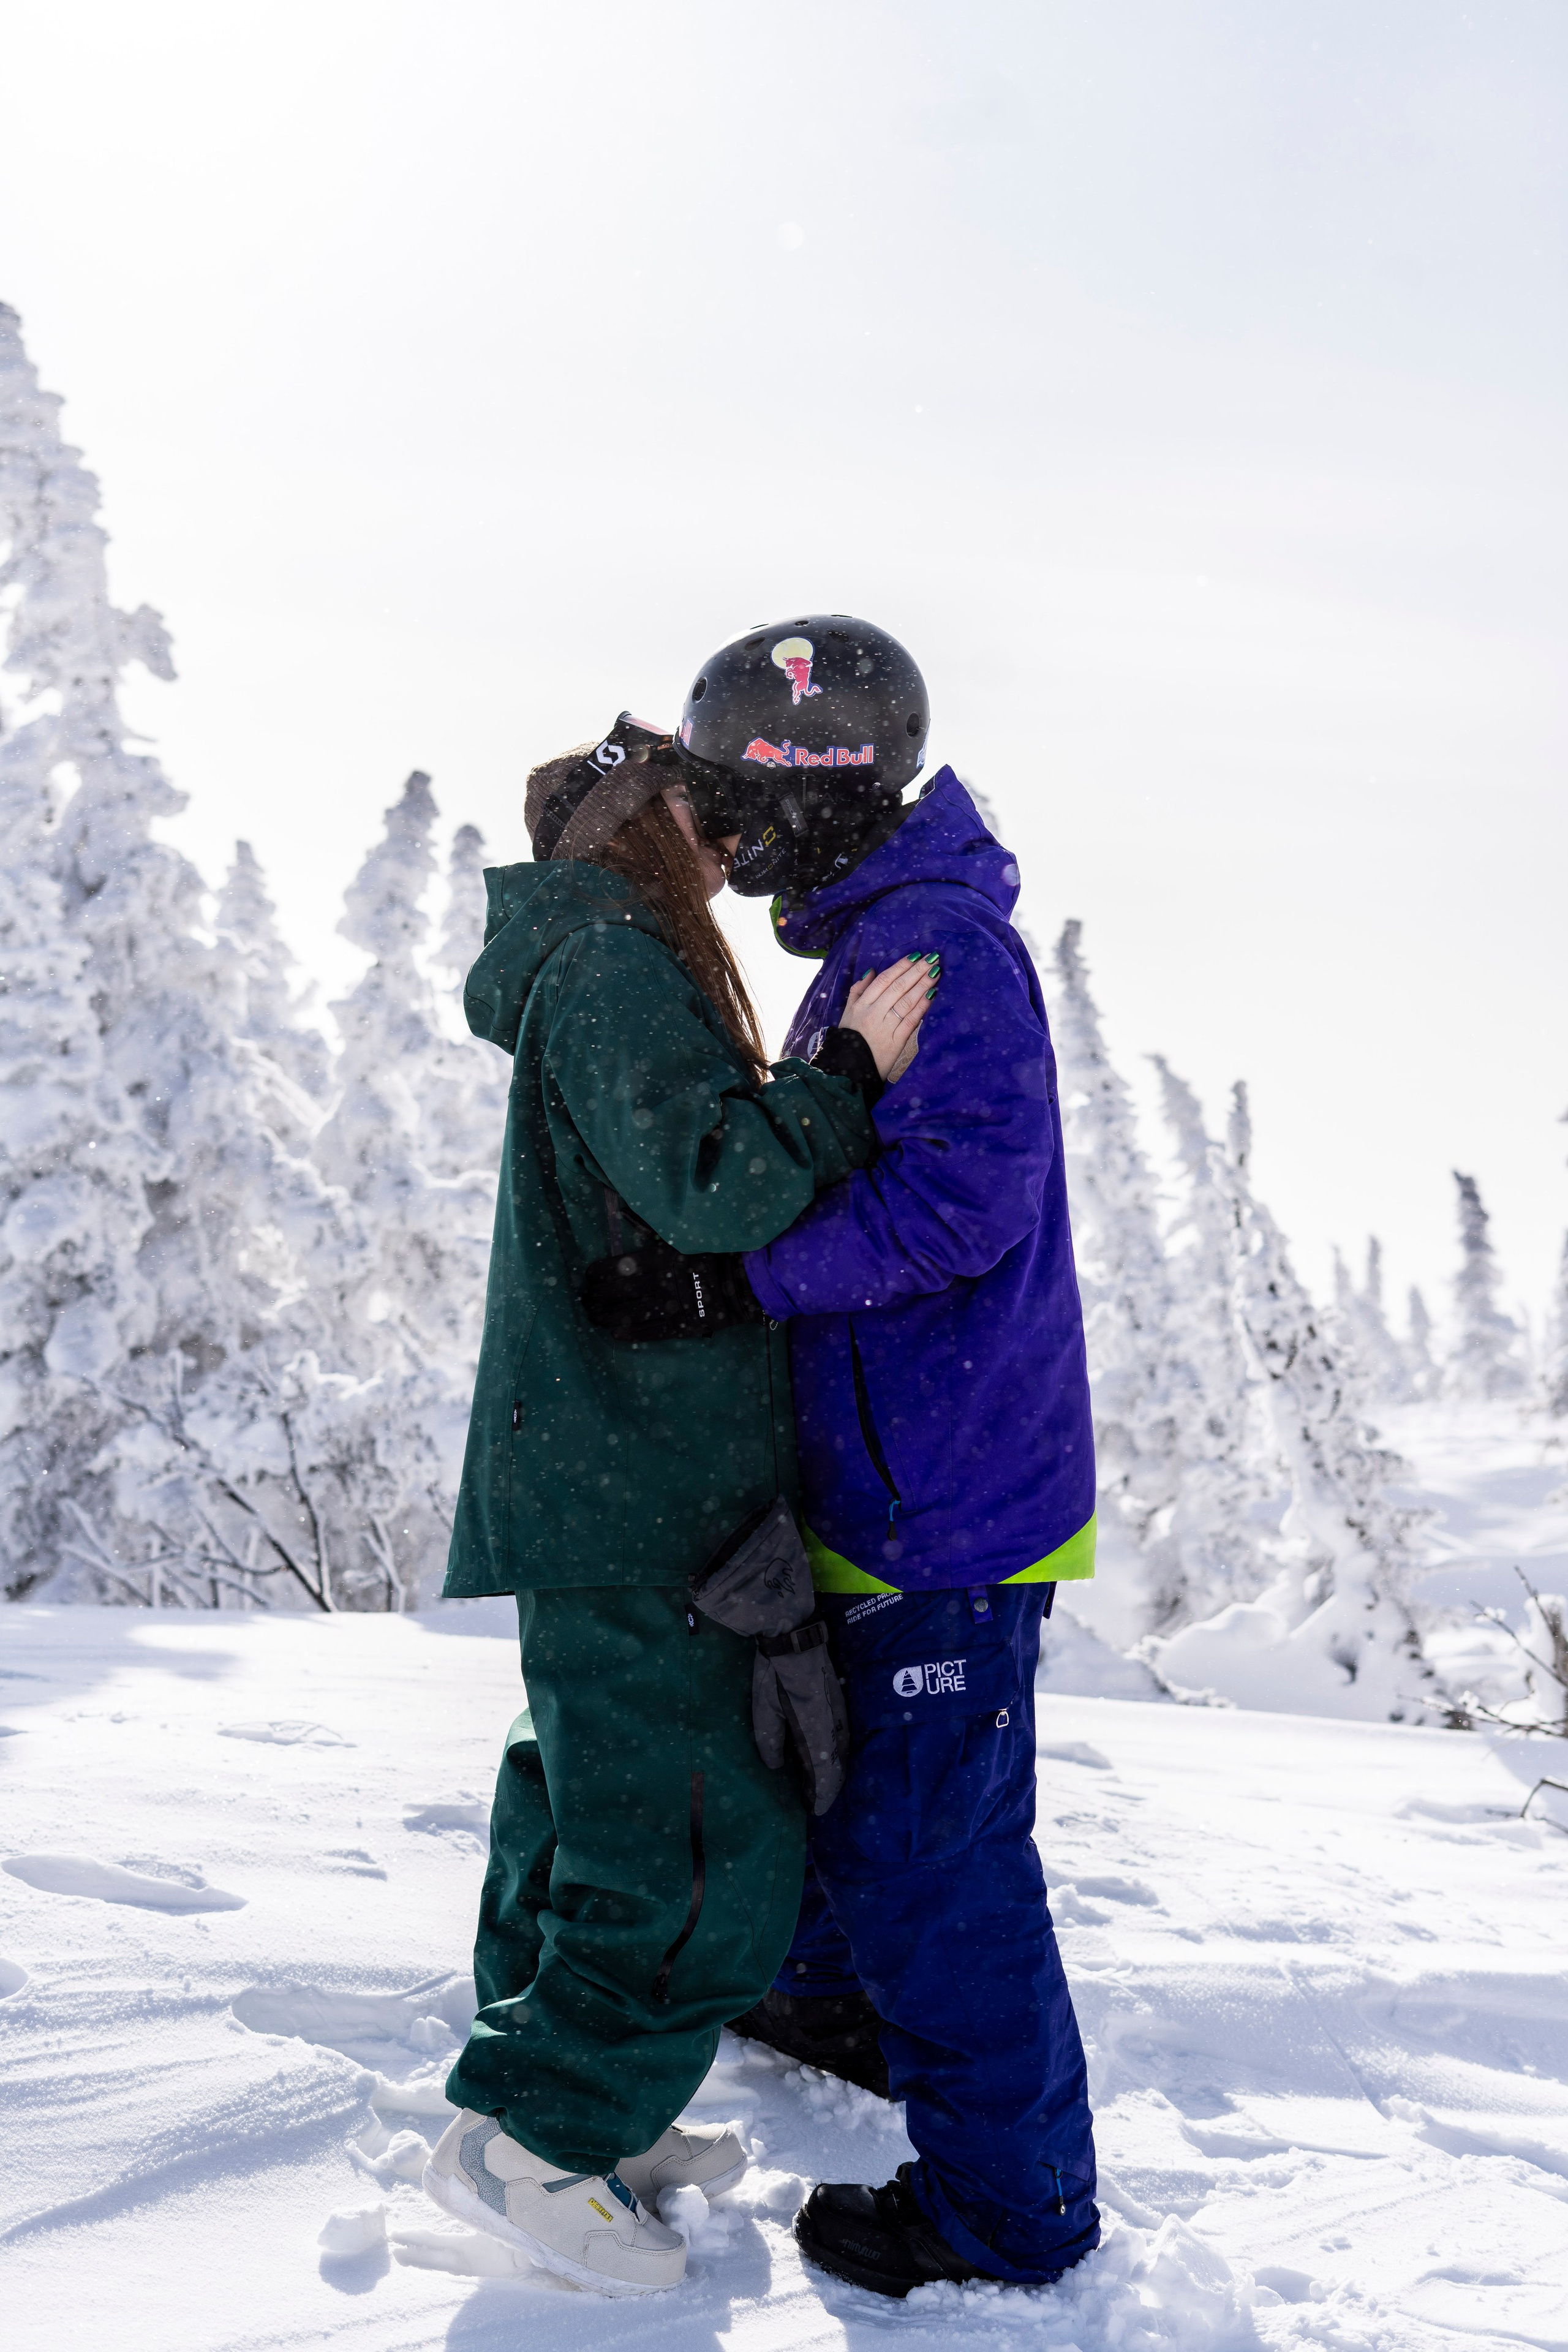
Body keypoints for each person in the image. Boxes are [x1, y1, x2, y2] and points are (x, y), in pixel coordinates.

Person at [593, 619, 1101, 2299]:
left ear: (823, 793)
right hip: (899, 1471)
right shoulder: (876, 932)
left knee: (938, 1866)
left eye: (740, 801)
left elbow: (965, 1202)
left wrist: (735, 1275)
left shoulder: (938, 943)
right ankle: (835, 2006)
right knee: (847, 1797)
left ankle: (1009, 2216)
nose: (721, 841)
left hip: (944, 1496)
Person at [421, 713, 933, 2297]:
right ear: (650, 831)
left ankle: (591, 2113)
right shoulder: (619, 967)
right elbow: (713, 1179)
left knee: (593, 1809)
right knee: (697, 1840)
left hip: (613, 1480)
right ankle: (540, 2140)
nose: (736, 856)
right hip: (640, 1487)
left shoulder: (593, 963)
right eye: (713, 826)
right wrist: (848, 1077)